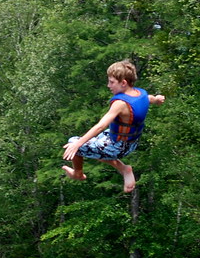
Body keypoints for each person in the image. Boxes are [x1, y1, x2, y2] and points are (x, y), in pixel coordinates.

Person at [62, 59, 165, 193]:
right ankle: (124, 169)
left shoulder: (120, 104)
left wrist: (77, 144)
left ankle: (78, 174)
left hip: (118, 147)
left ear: (123, 83)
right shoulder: (140, 93)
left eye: (111, 82)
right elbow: (149, 98)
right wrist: (157, 99)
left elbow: (101, 125)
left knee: (73, 143)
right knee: (94, 145)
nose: (108, 85)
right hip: (131, 142)